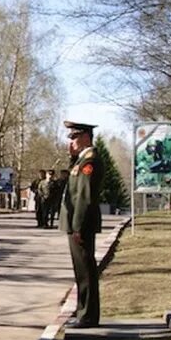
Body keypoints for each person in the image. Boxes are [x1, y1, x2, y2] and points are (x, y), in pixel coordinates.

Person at [60, 121, 104, 328]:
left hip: (81, 225)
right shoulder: (81, 160)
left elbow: (84, 198)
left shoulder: (90, 161)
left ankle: (87, 315)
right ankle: (82, 310)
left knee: (86, 271)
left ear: (86, 137)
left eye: (74, 137)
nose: (72, 142)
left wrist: (77, 227)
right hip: (76, 224)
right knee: (81, 271)